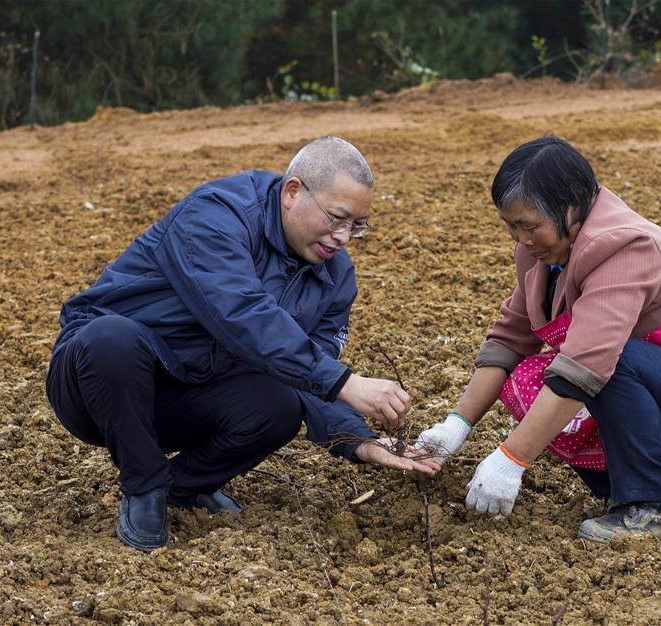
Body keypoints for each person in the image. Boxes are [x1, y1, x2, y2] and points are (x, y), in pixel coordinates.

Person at [46, 136, 439, 552]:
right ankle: (143, 486)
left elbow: (311, 369)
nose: (343, 237)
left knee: (279, 405)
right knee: (111, 337)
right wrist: (345, 382)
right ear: (292, 192)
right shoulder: (216, 214)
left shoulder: (335, 278)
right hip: (97, 388)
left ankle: (180, 488)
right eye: (336, 218)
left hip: (189, 396)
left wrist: (357, 439)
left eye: (356, 226)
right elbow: (240, 312)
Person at [419, 135, 661, 542]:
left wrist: (511, 459)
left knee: (602, 362)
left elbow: (588, 364)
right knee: (529, 378)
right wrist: (456, 426)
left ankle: (657, 502)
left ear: (572, 206)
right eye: (511, 226)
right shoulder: (541, 253)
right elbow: (510, 339)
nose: (521, 239)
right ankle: (622, 490)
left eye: (531, 226)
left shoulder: (623, 247)